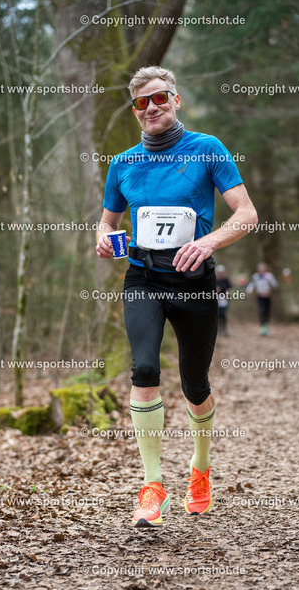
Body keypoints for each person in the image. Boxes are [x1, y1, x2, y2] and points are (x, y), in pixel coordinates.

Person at [96, 66, 258, 527]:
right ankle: (153, 487)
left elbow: (247, 214)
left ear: (175, 99)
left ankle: (200, 469)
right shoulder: (123, 163)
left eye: (159, 98)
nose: (151, 108)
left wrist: (208, 242)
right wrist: (103, 236)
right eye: (141, 102)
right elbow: (106, 221)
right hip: (143, 278)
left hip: (195, 283)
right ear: (135, 111)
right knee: (145, 369)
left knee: (195, 385)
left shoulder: (208, 149)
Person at [247, 262, 278, 336]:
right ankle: (262, 327)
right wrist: (249, 289)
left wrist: (270, 280)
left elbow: (275, 285)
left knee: (267, 312)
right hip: (260, 297)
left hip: (268, 296)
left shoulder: (269, 275)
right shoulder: (255, 276)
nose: (262, 270)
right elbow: (252, 284)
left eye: (263, 269)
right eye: (260, 269)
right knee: (262, 311)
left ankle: (266, 326)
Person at [216, 265, 231, 336]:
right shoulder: (214, 280)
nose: (220, 274)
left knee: (223, 315)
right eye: (219, 273)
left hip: (224, 300)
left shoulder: (226, 280)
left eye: (221, 273)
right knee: (217, 315)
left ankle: (224, 329)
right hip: (216, 300)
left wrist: (228, 292)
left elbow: (229, 289)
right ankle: (218, 330)